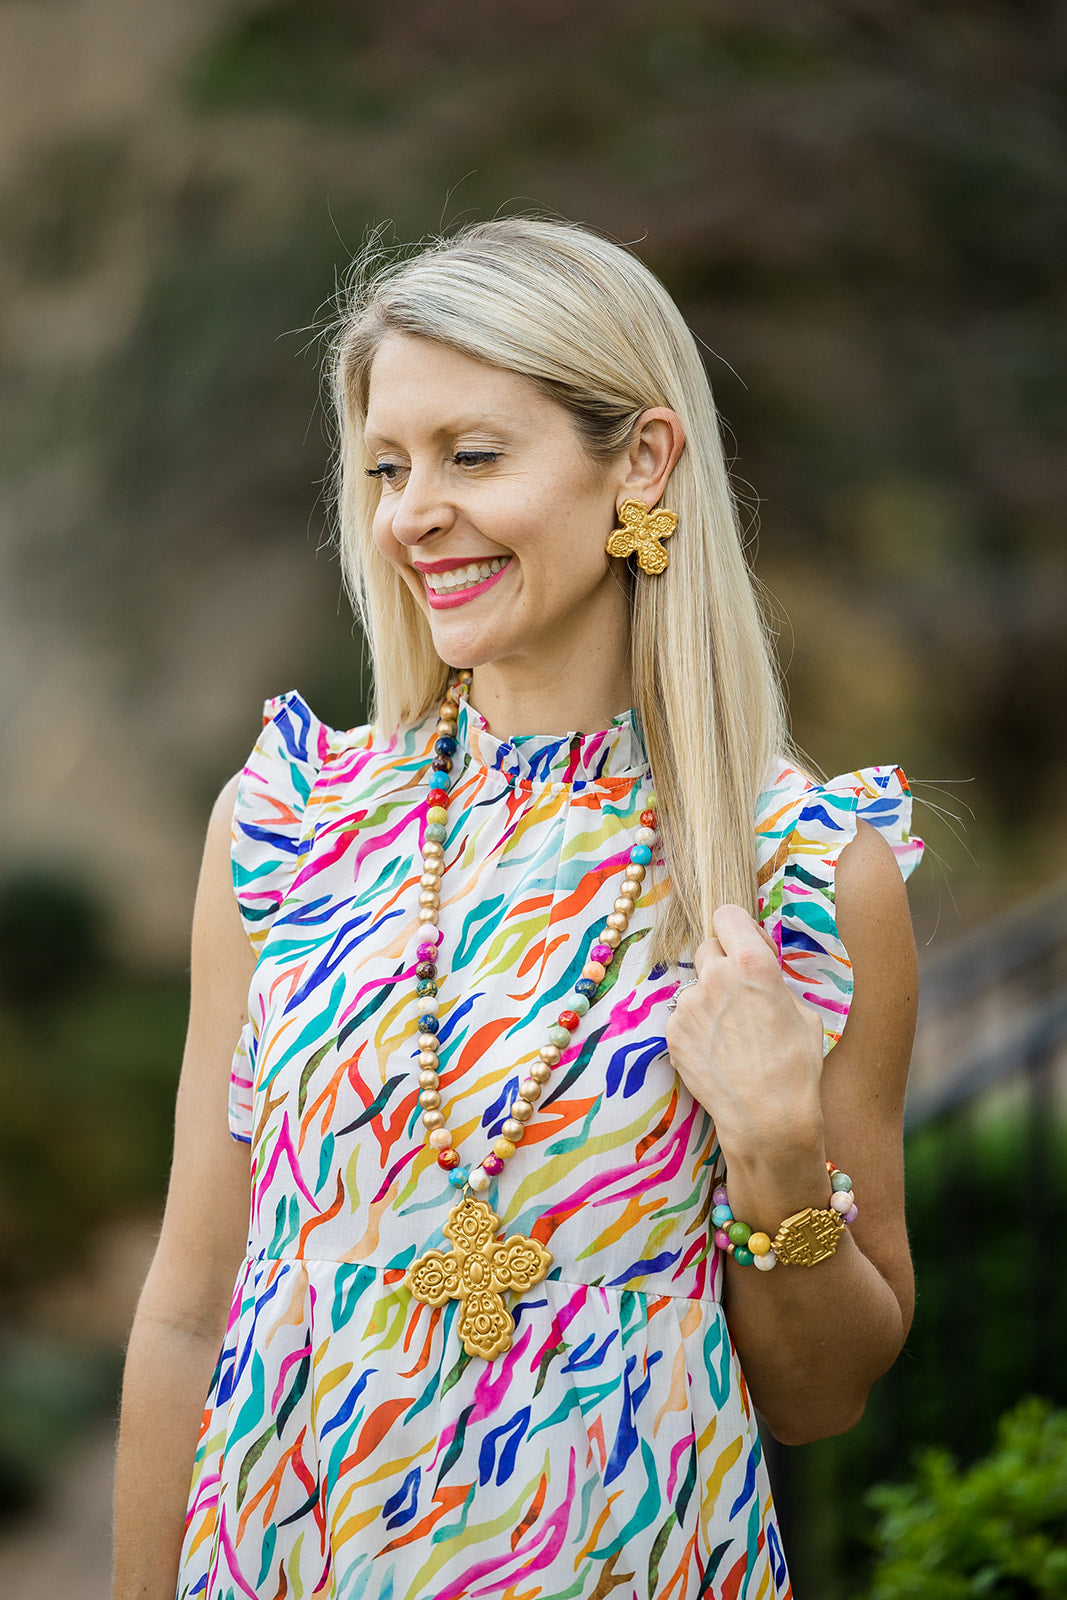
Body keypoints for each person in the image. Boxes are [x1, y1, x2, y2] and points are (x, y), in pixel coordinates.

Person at [112, 217, 923, 1600]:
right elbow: (192, 1309)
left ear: (644, 465)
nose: (409, 512)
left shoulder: (801, 870)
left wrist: (777, 1150)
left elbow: (821, 1398)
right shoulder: (289, 823)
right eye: (386, 466)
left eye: (471, 457)